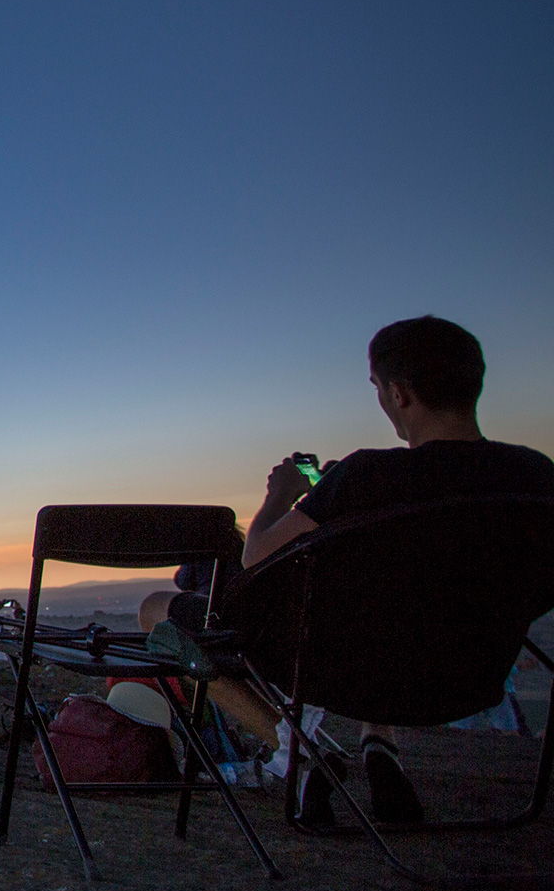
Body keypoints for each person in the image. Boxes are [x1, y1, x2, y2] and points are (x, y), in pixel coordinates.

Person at [229, 315, 554, 826]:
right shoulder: (536, 475)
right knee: (398, 605)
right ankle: (380, 745)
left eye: (379, 388)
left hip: (345, 675)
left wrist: (281, 497)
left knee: (167, 618)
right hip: (469, 679)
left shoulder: (365, 476)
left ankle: (306, 758)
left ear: (399, 393)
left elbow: (257, 559)